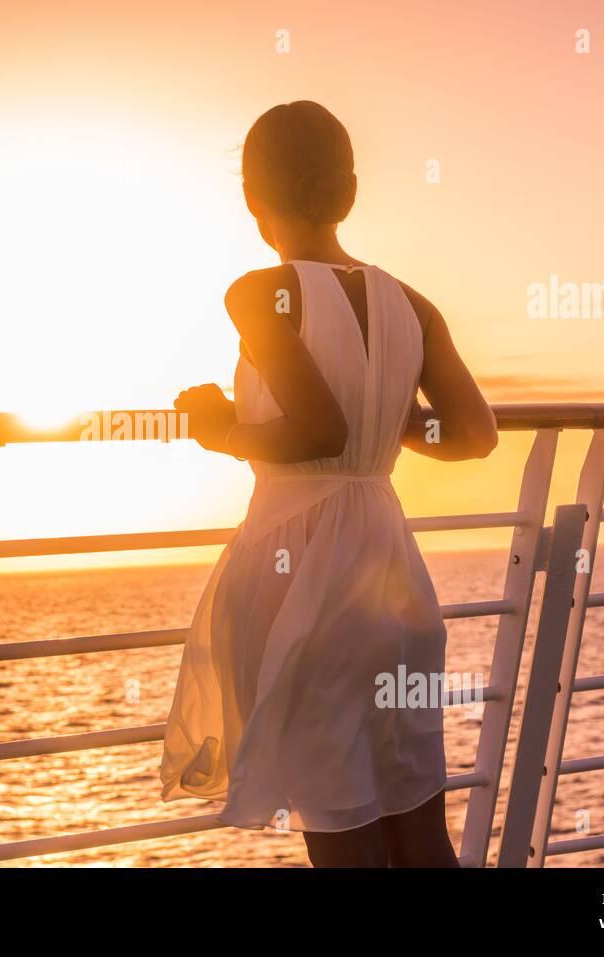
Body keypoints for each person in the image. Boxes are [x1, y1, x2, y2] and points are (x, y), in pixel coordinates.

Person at [160, 100, 498, 867]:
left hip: (305, 573)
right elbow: (473, 434)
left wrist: (220, 430)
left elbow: (317, 430)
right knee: (417, 825)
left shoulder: (259, 292)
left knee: (341, 833)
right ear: (347, 188)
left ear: (253, 196)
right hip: (391, 572)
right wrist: (391, 415)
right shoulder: (411, 304)